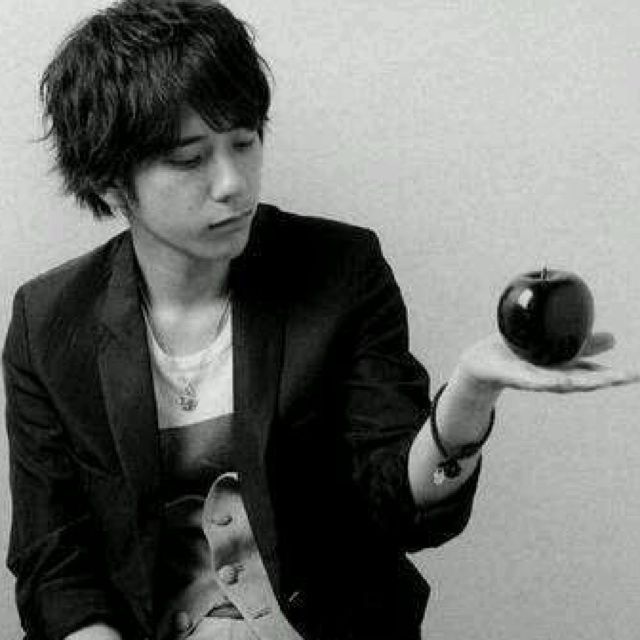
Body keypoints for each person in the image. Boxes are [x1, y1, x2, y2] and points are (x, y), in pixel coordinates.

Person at [2, 1, 637, 639]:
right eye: (191, 159)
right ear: (112, 183)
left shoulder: (341, 271)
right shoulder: (47, 321)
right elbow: (53, 559)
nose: (233, 183)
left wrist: (469, 395)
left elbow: (400, 508)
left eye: (245, 142)